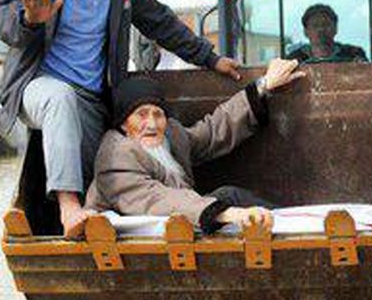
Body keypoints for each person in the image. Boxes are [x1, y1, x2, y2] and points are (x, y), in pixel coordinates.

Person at [0, 0, 242, 238]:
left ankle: (99, 227)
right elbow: (4, 24)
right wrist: (31, 20)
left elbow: (156, 19)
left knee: (106, 168)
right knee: (59, 98)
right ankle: (68, 207)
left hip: (93, 95)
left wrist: (210, 58)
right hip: (37, 89)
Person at [86, 59, 305, 233]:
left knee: (229, 194)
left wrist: (264, 85)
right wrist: (226, 214)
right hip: (136, 242)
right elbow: (157, 199)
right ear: (124, 123)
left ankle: (299, 225)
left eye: (158, 114)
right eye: (141, 115)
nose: (152, 124)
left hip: (181, 223)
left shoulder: (171, 135)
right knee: (226, 204)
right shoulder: (115, 156)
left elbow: (213, 132)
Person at [284, 4, 367, 63]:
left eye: (326, 24)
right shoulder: (293, 60)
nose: (321, 29)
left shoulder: (353, 54)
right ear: (305, 32)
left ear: (335, 28)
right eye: (315, 25)